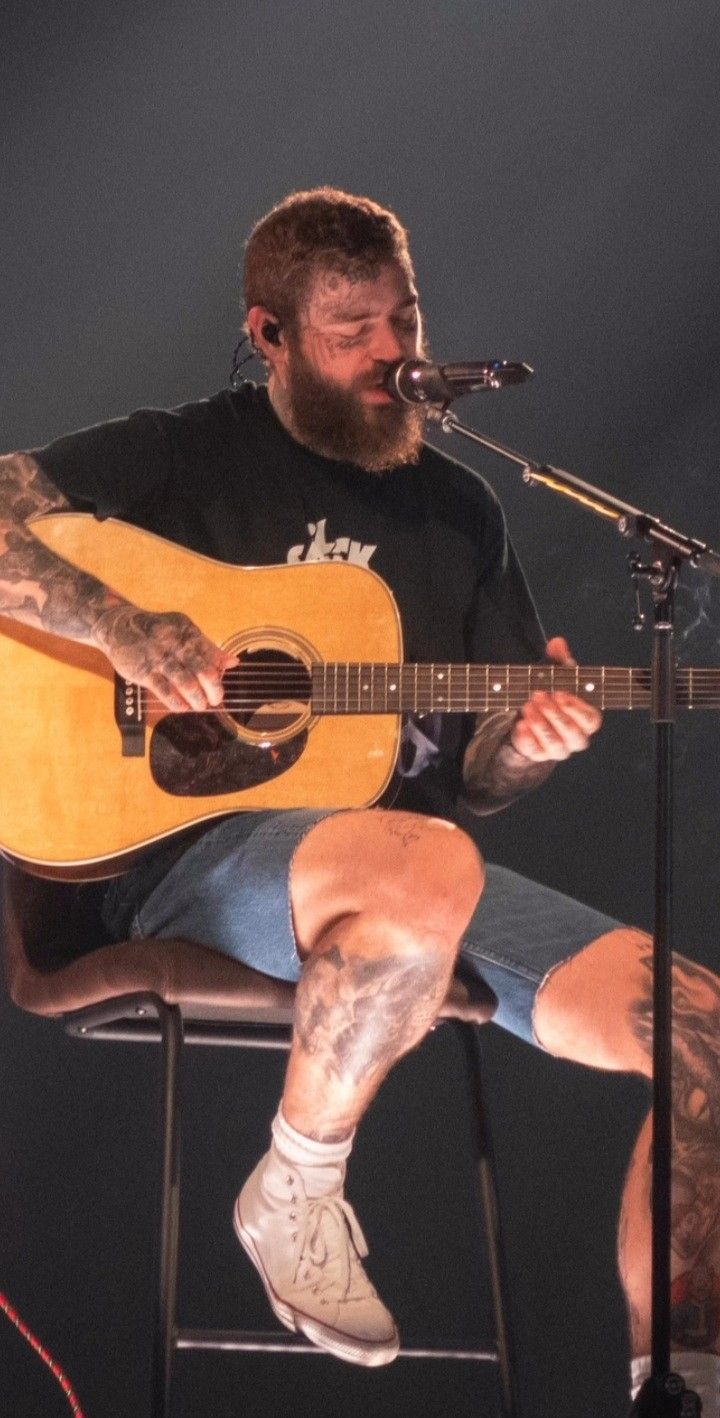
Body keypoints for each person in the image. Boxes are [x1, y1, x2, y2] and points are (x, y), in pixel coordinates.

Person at [0, 188, 718, 1408]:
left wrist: (528, 746)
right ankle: (295, 1182)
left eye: (405, 318)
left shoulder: (459, 508)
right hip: (182, 854)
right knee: (421, 863)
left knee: (704, 1033)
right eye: (351, 329)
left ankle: (682, 1378)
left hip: (399, 872)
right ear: (270, 333)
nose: (394, 354)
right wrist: (123, 629)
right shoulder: (181, 449)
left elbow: (478, 783)